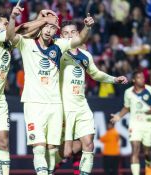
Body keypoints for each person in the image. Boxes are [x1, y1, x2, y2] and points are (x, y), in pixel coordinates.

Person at [0, 9, 59, 175]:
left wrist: (39, 18)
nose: (9, 25)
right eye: (5, 23)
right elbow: (20, 29)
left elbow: (26, 34)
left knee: (3, 142)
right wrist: (45, 21)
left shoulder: (8, 41)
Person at [7, 4, 96, 173]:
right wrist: (13, 18)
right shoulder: (27, 44)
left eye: (53, 27)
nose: (48, 30)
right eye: (46, 26)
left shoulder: (60, 46)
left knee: (52, 150)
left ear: (56, 31)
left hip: (55, 105)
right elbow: (10, 35)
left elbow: (79, 40)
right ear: (40, 27)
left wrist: (87, 27)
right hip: (33, 103)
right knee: (39, 148)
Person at [57, 20, 128, 175]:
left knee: (88, 144)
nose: (70, 35)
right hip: (64, 106)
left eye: (73, 32)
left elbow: (95, 74)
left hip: (82, 105)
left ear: (78, 33)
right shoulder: (58, 52)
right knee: (67, 152)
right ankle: (50, 162)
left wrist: (114, 79)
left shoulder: (85, 55)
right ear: (61, 36)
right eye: (66, 33)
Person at [111, 70, 151, 175]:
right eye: (139, 77)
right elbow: (127, 107)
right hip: (134, 124)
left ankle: (149, 168)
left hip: (148, 124)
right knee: (135, 149)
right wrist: (119, 116)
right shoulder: (128, 92)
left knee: (147, 151)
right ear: (134, 80)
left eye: (143, 77)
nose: (142, 79)